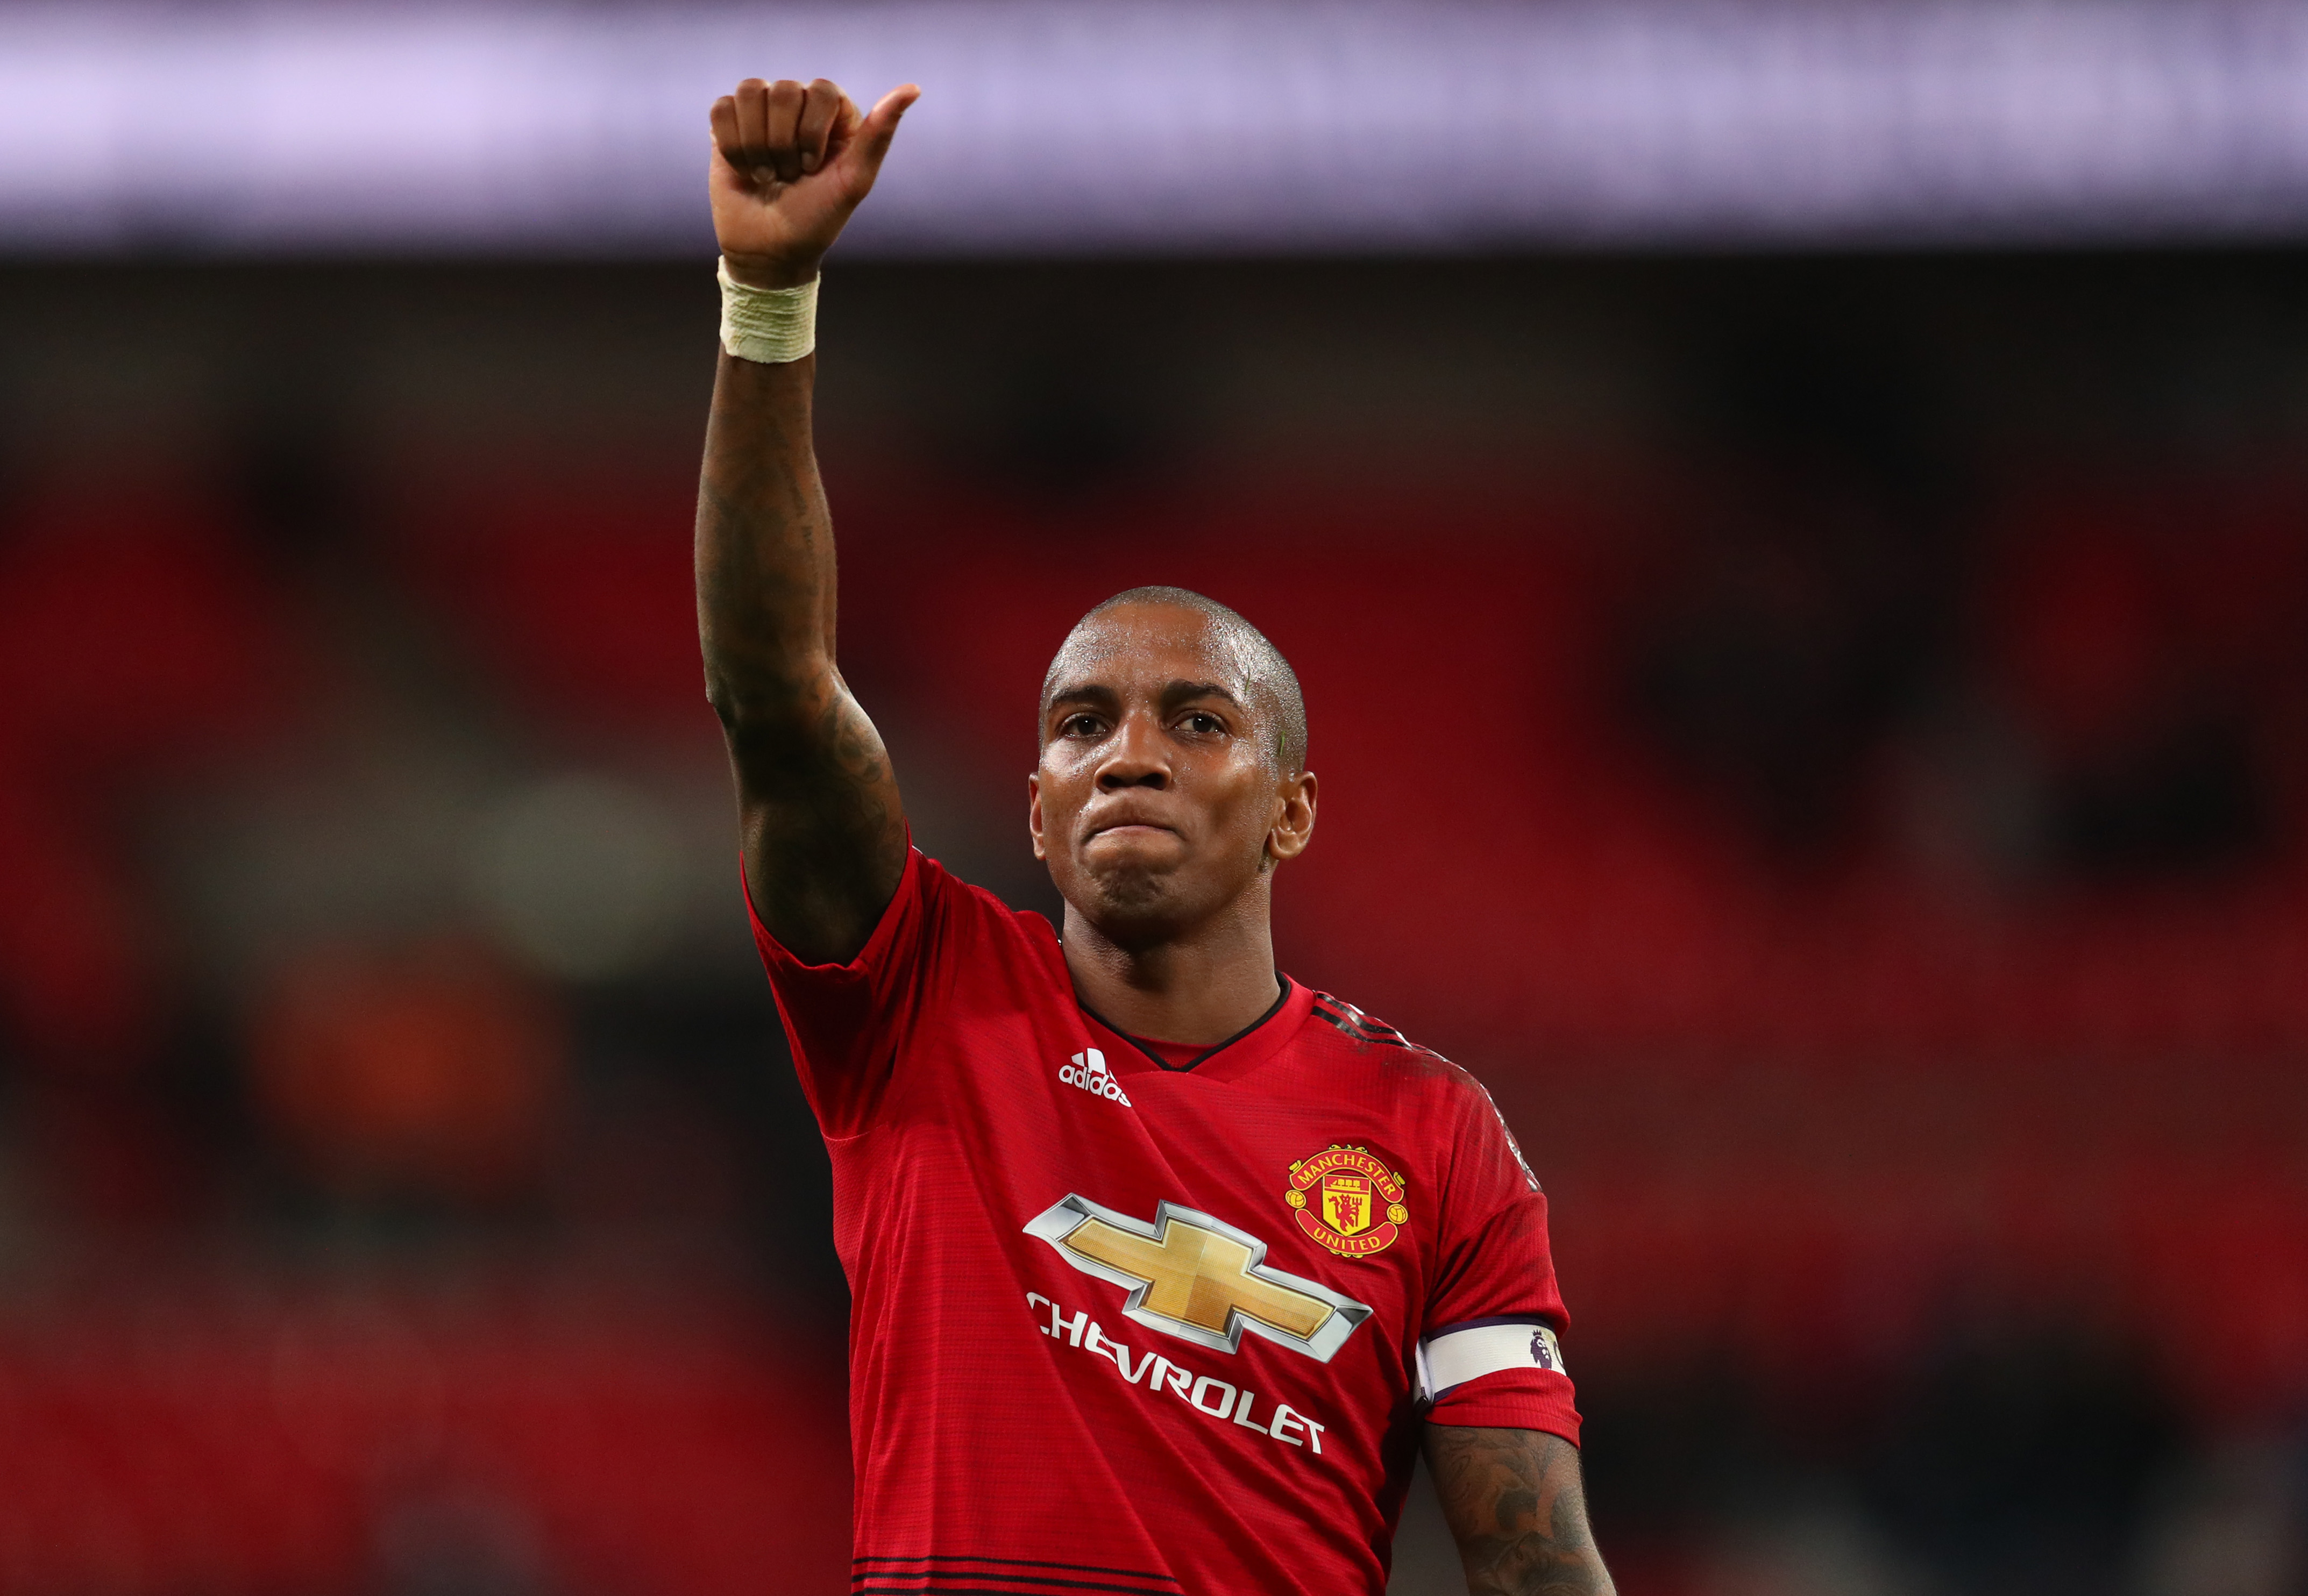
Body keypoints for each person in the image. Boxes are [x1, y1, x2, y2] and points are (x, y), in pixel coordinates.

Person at [695, 74, 1617, 1596]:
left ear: (1292, 811)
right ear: (1040, 812)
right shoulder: (918, 995)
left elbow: (1531, 1559)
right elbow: (774, 698)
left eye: (1197, 721)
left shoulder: (1431, 1136)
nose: (1130, 754)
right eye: (1080, 726)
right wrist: (769, 299)